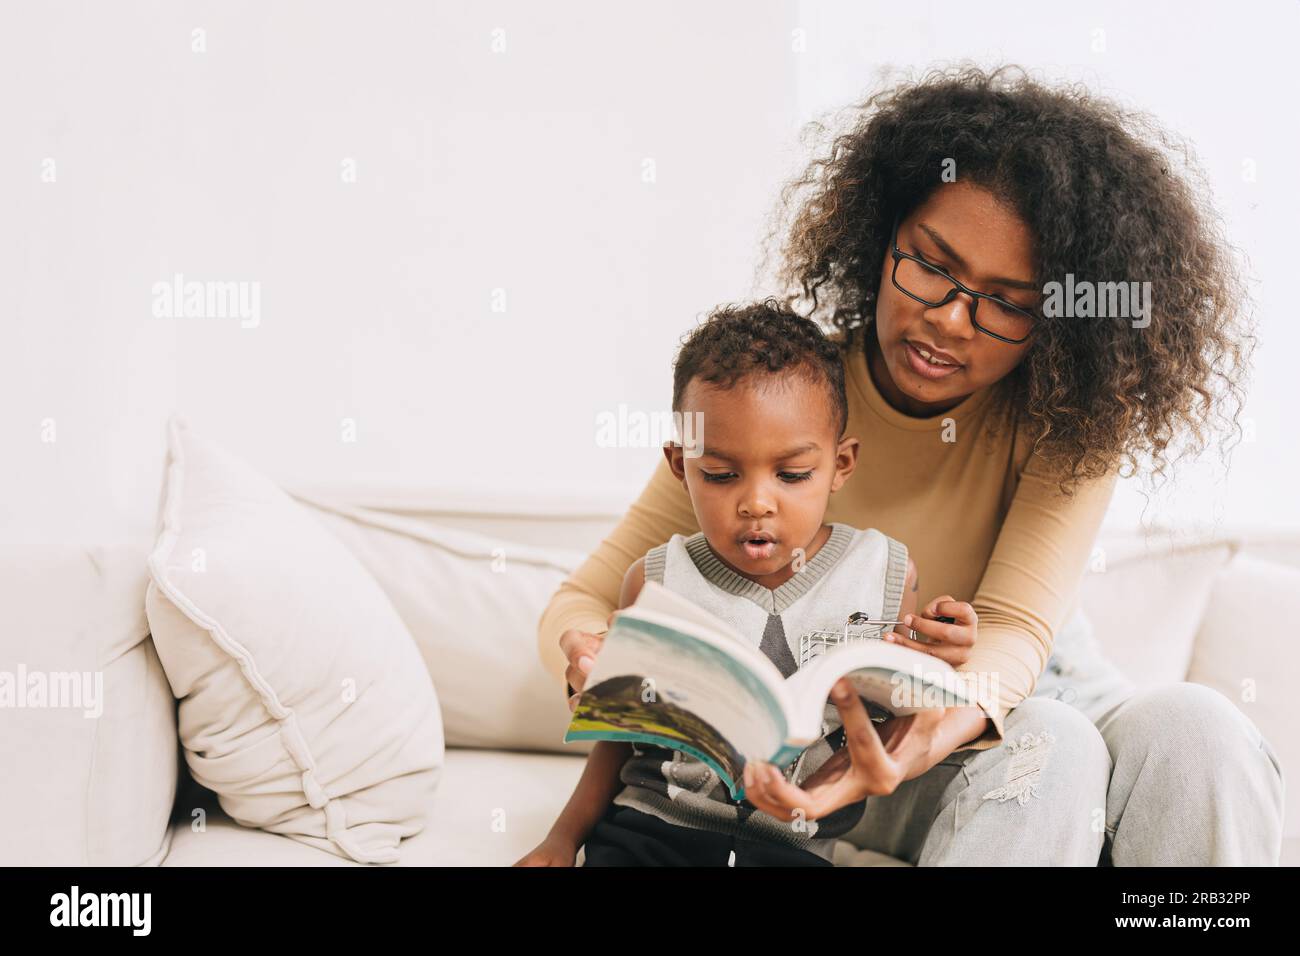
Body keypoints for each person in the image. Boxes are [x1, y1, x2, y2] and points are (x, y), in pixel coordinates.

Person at [534, 66, 1284, 866]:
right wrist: (589, 653)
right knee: (1048, 748)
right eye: (930, 266)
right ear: (878, 237)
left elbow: (1016, 635)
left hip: (1033, 692)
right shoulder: (779, 406)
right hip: (873, 741)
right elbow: (582, 600)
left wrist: (917, 733)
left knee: (1197, 730)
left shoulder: (1072, 420)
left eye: (1006, 302)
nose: (950, 321)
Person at [517, 301, 1031, 866]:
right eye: (720, 475)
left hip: (795, 846)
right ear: (679, 464)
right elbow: (621, 740)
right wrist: (562, 838)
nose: (757, 503)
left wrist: (940, 663)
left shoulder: (884, 573)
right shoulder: (655, 580)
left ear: (841, 464)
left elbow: (897, 720)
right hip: (650, 830)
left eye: (791, 475)